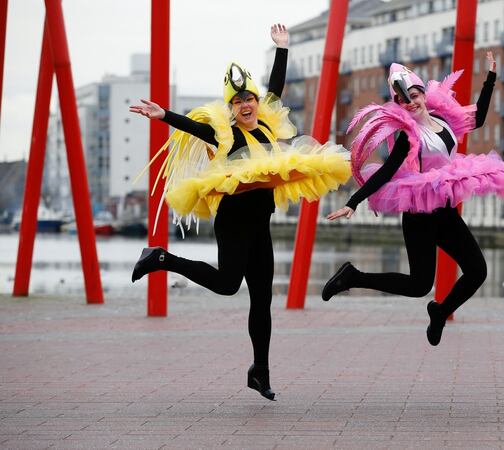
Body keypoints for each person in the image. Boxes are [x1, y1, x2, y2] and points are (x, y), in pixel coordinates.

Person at [129, 24, 350, 401]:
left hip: (260, 222)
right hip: (233, 219)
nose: (245, 105)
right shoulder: (222, 134)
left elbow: (276, 90)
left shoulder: (266, 126)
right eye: (237, 101)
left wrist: (281, 49)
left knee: (262, 298)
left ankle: (259, 371)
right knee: (229, 284)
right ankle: (161, 257)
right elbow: (191, 127)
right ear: (230, 108)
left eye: (249, 98)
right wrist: (162, 114)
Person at [322, 53, 504, 346]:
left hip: (446, 211)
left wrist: (490, 79)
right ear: (398, 105)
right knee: (419, 285)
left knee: (478, 271)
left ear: (423, 94)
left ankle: (440, 312)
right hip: (419, 214)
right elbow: (386, 171)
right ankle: (352, 277)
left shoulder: (444, 121)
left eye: (414, 95)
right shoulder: (408, 135)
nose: (411, 102)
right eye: (404, 100)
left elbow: (478, 117)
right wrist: (354, 201)